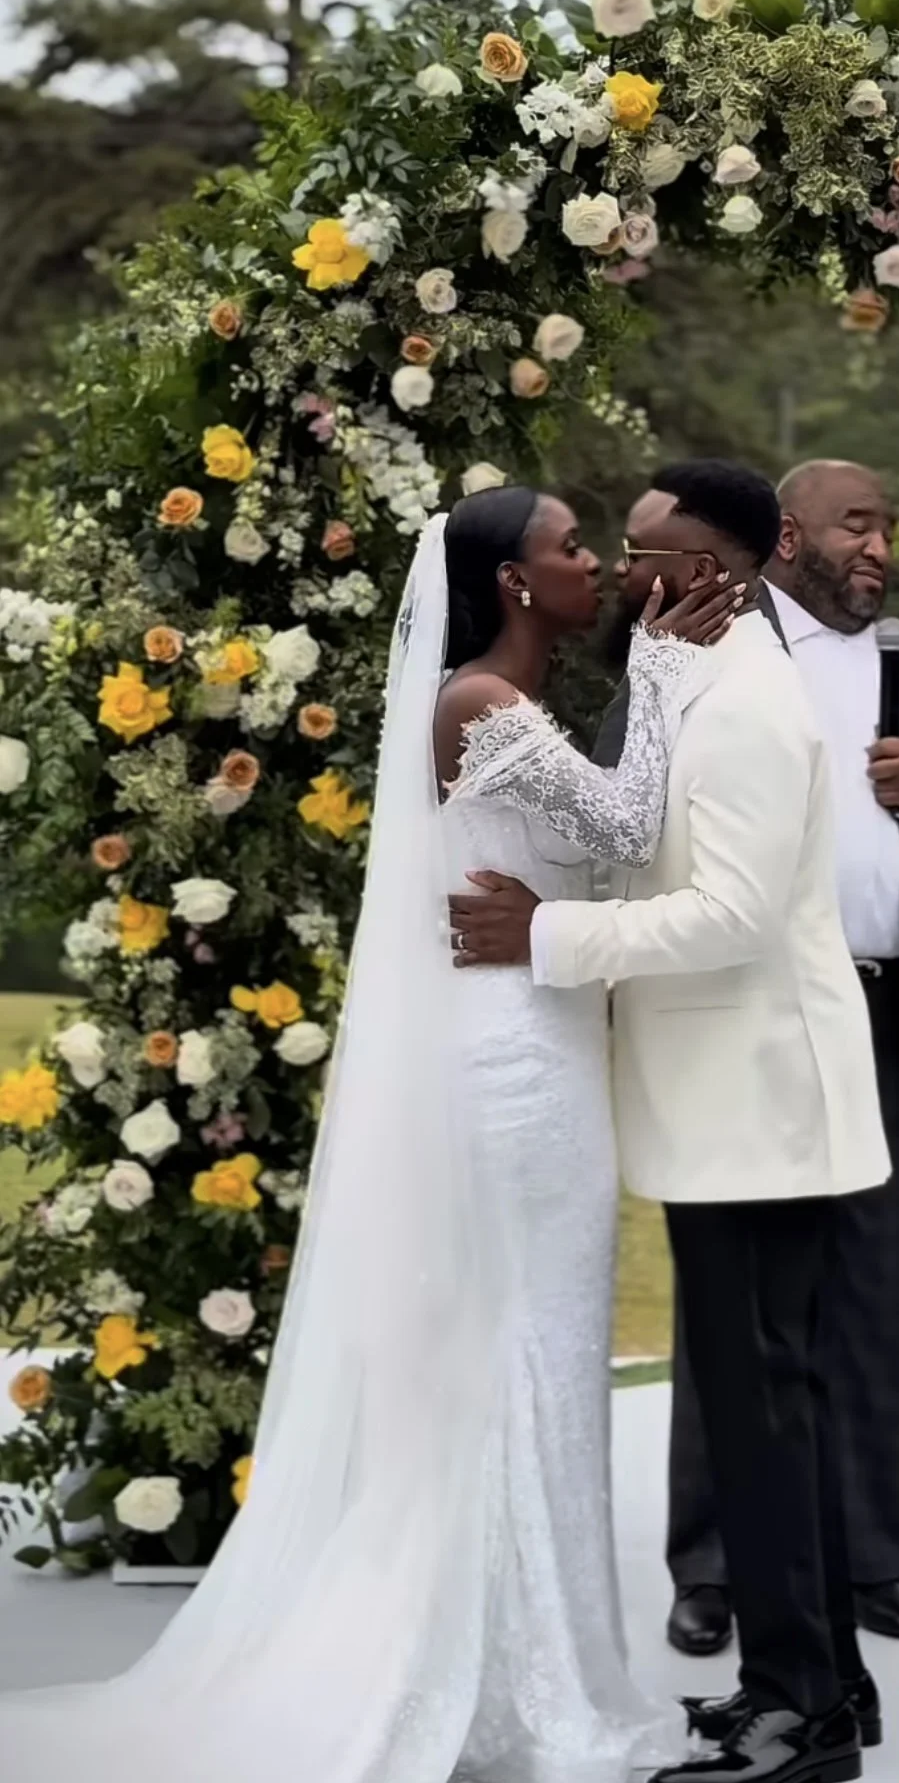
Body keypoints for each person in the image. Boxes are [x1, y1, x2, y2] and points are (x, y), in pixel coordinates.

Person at [0, 487, 735, 1783]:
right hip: (515, 1063)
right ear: (511, 582)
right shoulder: (479, 706)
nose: (591, 566)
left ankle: (523, 1667)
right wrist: (666, 660)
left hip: (543, 1040)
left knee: (542, 1358)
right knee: (523, 1357)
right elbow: (625, 824)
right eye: (569, 548)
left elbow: (602, 852)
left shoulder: (511, 708)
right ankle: (507, 1682)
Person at [451, 462, 891, 1783]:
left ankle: (792, 1716)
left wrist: (544, 936)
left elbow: (731, 918)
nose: (625, 570)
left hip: (758, 1107)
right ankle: (827, 1687)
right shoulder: (683, 672)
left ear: (711, 569)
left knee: (764, 1414)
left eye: (644, 551)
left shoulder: (750, 700)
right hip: (727, 1109)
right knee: (773, 1405)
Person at [664, 459, 899, 1658]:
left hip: (893, 1024)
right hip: (751, 1020)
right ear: (787, 537)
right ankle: (715, 1565)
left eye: (891, 525)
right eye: (857, 525)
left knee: (879, 1305)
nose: (880, 546)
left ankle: (870, 1559)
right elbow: (628, 792)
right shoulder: (705, 650)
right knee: (734, 1305)